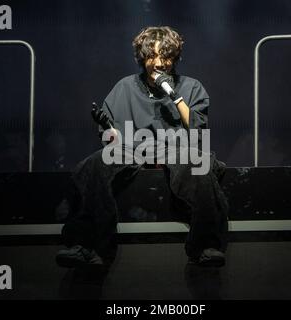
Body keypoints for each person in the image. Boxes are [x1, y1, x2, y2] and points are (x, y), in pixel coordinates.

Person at [56, 26, 229, 268]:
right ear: (143, 58)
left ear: (175, 58)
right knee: (95, 164)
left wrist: (174, 93)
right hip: (133, 147)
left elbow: (197, 129)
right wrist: (109, 129)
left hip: (176, 147)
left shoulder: (191, 86)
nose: (160, 63)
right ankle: (86, 246)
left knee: (199, 166)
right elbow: (113, 139)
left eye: (166, 56)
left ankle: (206, 246)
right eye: (153, 56)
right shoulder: (125, 86)